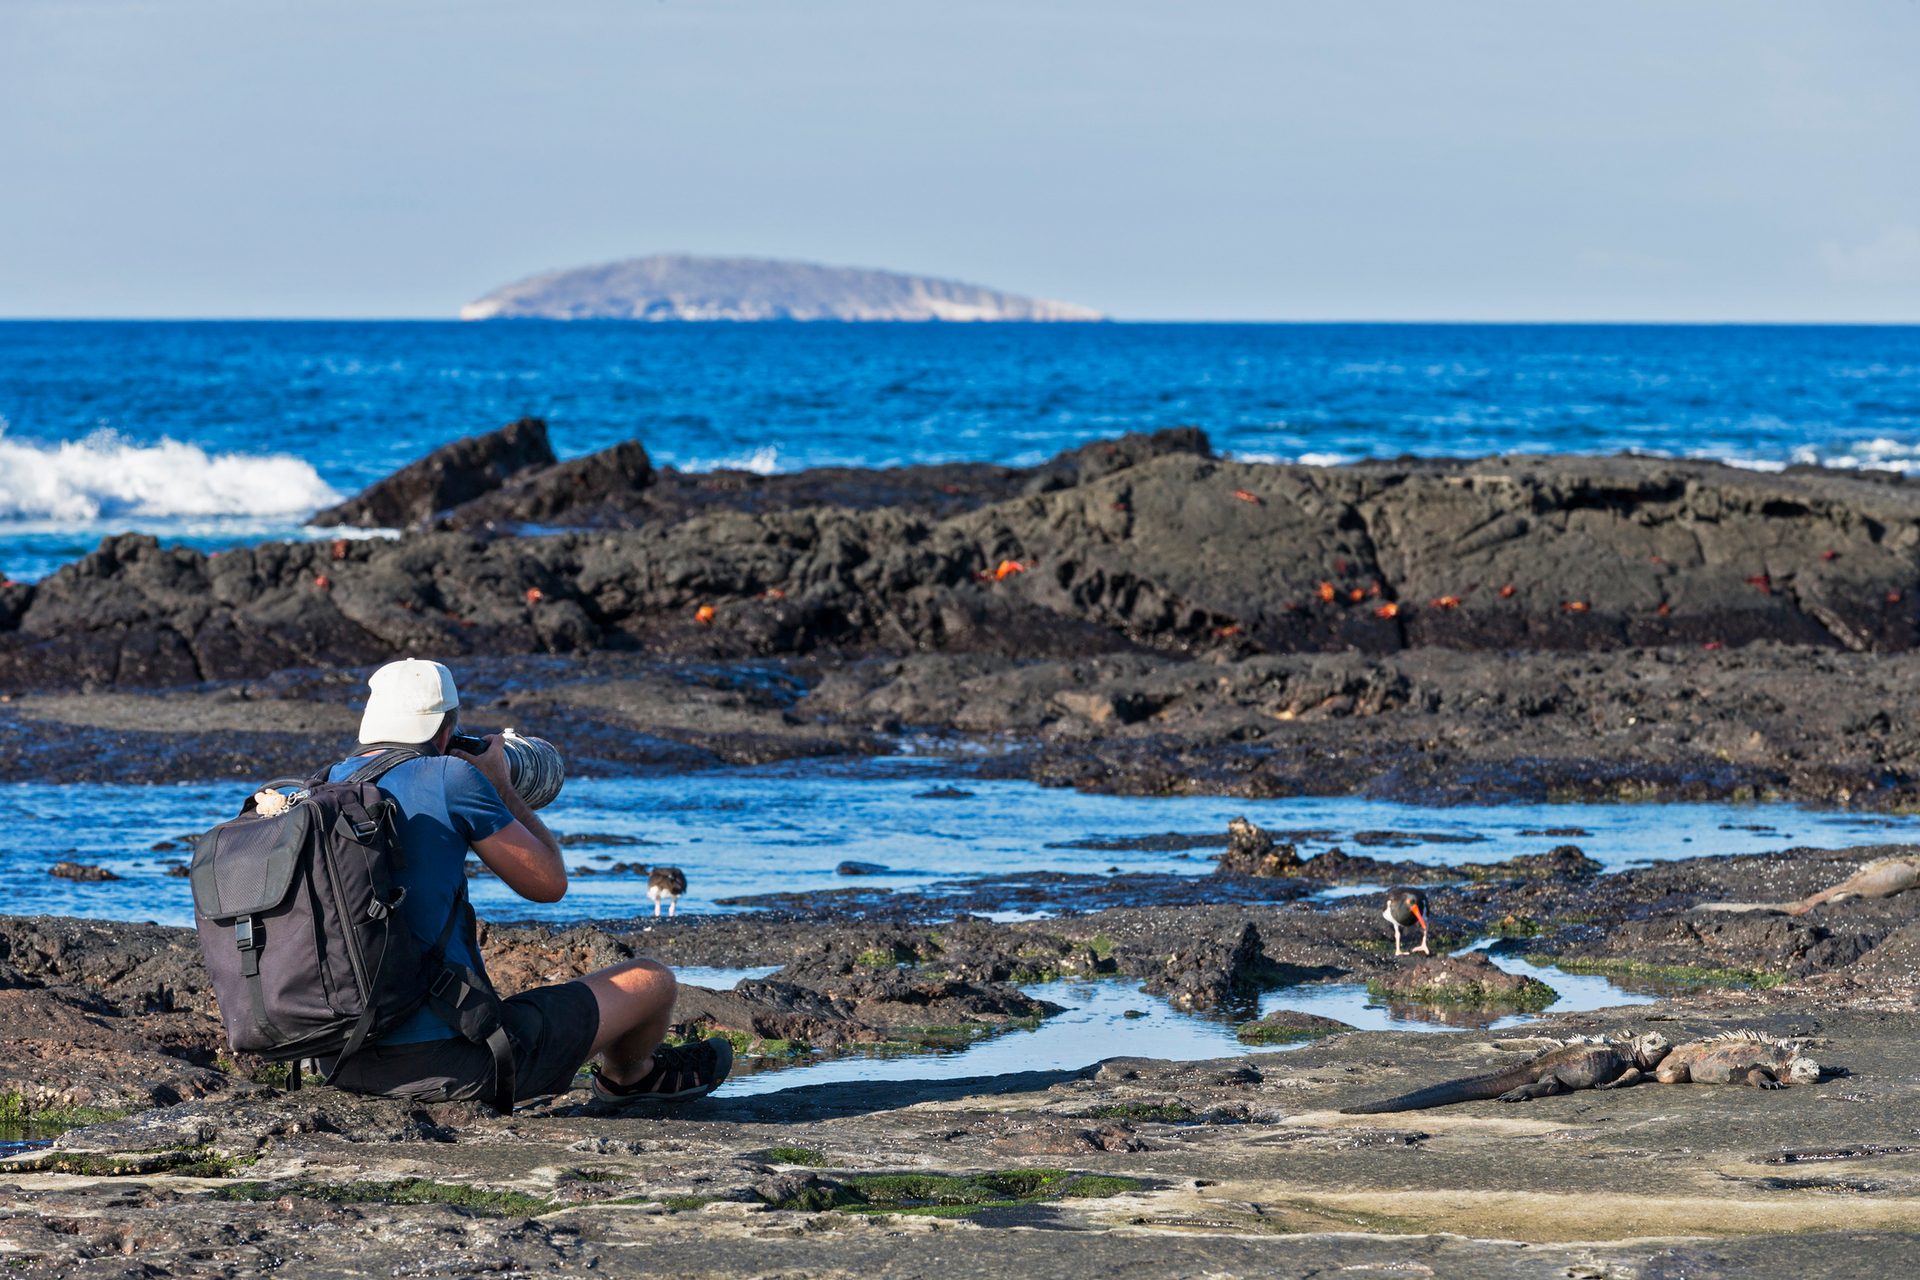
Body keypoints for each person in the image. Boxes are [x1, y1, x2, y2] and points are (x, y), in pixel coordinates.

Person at [318, 658, 731, 1106]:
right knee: (653, 981)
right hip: (450, 1070)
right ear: (445, 731)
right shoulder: (450, 778)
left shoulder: (322, 787)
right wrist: (499, 786)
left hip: (339, 1061)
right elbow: (548, 884)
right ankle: (627, 1077)